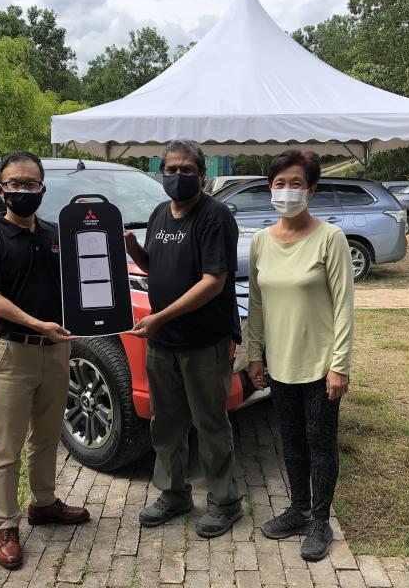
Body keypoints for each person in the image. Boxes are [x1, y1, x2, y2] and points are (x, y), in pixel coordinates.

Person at [0, 151, 90, 570]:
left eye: (31, 184)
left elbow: (81, 278)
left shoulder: (56, 234)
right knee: (7, 447)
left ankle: (43, 503)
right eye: (15, 184)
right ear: (2, 189)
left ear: (42, 188)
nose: (23, 190)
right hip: (13, 352)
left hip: (57, 352)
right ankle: (6, 524)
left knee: (46, 437)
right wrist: (38, 323)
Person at [124, 139, 243, 538]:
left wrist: (159, 317)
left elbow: (213, 282)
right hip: (163, 343)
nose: (177, 176)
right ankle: (174, 493)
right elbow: (157, 268)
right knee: (167, 423)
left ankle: (225, 502)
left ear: (201, 174)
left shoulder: (215, 217)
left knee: (210, 423)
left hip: (203, 341)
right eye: (171, 169)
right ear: (161, 172)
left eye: (186, 170)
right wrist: (135, 250)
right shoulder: (160, 213)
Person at [246, 149, 354, 561]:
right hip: (281, 364)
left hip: (320, 364)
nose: (287, 191)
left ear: (311, 189)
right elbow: (256, 304)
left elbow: (344, 306)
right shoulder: (260, 242)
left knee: (320, 442)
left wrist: (339, 365)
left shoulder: (330, 238)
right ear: (270, 188)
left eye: (296, 183)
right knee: (290, 443)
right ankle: (297, 508)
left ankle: (320, 520)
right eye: (279, 183)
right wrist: (255, 356)